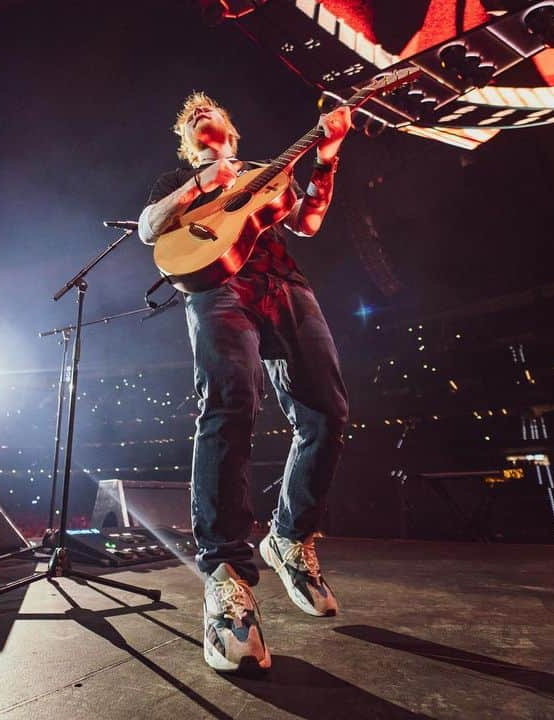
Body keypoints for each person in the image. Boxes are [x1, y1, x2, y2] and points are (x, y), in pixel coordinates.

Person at [138, 92, 352, 672]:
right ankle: (226, 575)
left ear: (231, 130)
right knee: (232, 405)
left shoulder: (269, 174)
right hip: (215, 290)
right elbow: (149, 227)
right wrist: (200, 185)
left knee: (327, 413)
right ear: (189, 144)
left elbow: (307, 222)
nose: (204, 127)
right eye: (194, 127)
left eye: (213, 121)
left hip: (284, 283)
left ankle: (289, 537)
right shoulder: (179, 179)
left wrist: (327, 155)